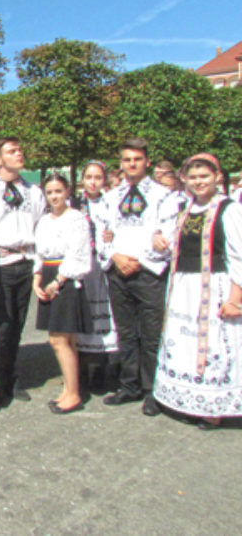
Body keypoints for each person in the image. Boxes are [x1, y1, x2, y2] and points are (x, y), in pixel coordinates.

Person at [152, 153, 242, 430]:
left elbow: (238, 256)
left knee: (214, 346)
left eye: (204, 176)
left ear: (217, 177)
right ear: (185, 180)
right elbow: (171, 247)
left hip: (213, 287)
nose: (198, 181)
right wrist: (159, 241)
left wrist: (235, 299)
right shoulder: (185, 209)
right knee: (186, 346)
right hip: (184, 290)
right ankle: (189, 400)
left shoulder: (229, 210)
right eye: (193, 177)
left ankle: (214, 408)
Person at [94, 138, 179, 416]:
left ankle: (153, 389)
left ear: (147, 162)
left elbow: (166, 236)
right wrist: (115, 256)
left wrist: (139, 260)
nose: (132, 164)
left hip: (148, 273)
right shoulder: (112, 197)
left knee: (151, 334)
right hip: (119, 272)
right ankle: (129, 385)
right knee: (127, 332)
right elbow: (103, 233)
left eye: (137, 159)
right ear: (121, 163)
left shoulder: (164, 196)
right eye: (127, 159)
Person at [0, 137, 46, 408]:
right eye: (12, 151)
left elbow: (40, 227)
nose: (19, 153)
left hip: (25, 262)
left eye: (20, 149)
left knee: (18, 325)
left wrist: (37, 265)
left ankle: (11, 377)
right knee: (1, 326)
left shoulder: (34, 192)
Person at [33, 174, 93, 414]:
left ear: (67, 191)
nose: (54, 196)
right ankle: (69, 387)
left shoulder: (76, 219)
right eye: (50, 192)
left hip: (65, 278)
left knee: (60, 339)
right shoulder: (44, 221)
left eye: (58, 191)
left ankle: (74, 393)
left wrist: (57, 281)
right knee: (63, 339)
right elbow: (39, 253)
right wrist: (37, 279)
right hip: (48, 274)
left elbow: (78, 254)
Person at [71, 161, 119, 394]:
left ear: (104, 180)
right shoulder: (75, 203)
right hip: (82, 266)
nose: (92, 181)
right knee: (82, 317)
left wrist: (111, 237)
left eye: (98, 177)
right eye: (88, 177)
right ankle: (80, 372)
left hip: (103, 266)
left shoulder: (111, 203)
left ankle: (102, 369)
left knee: (103, 318)